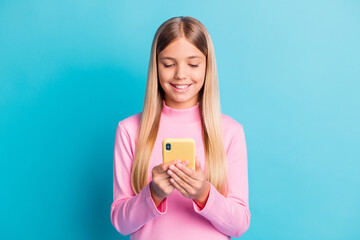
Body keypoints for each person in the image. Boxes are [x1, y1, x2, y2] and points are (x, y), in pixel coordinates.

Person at [110, 16, 250, 240]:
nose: (180, 74)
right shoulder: (129, 130)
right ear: (156, 66)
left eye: (193, 64)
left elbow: (239, 224)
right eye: (168, 64)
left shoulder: (230, 132)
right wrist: (153, 194)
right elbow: (121, 223)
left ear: (207, 66)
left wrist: (203, 193)